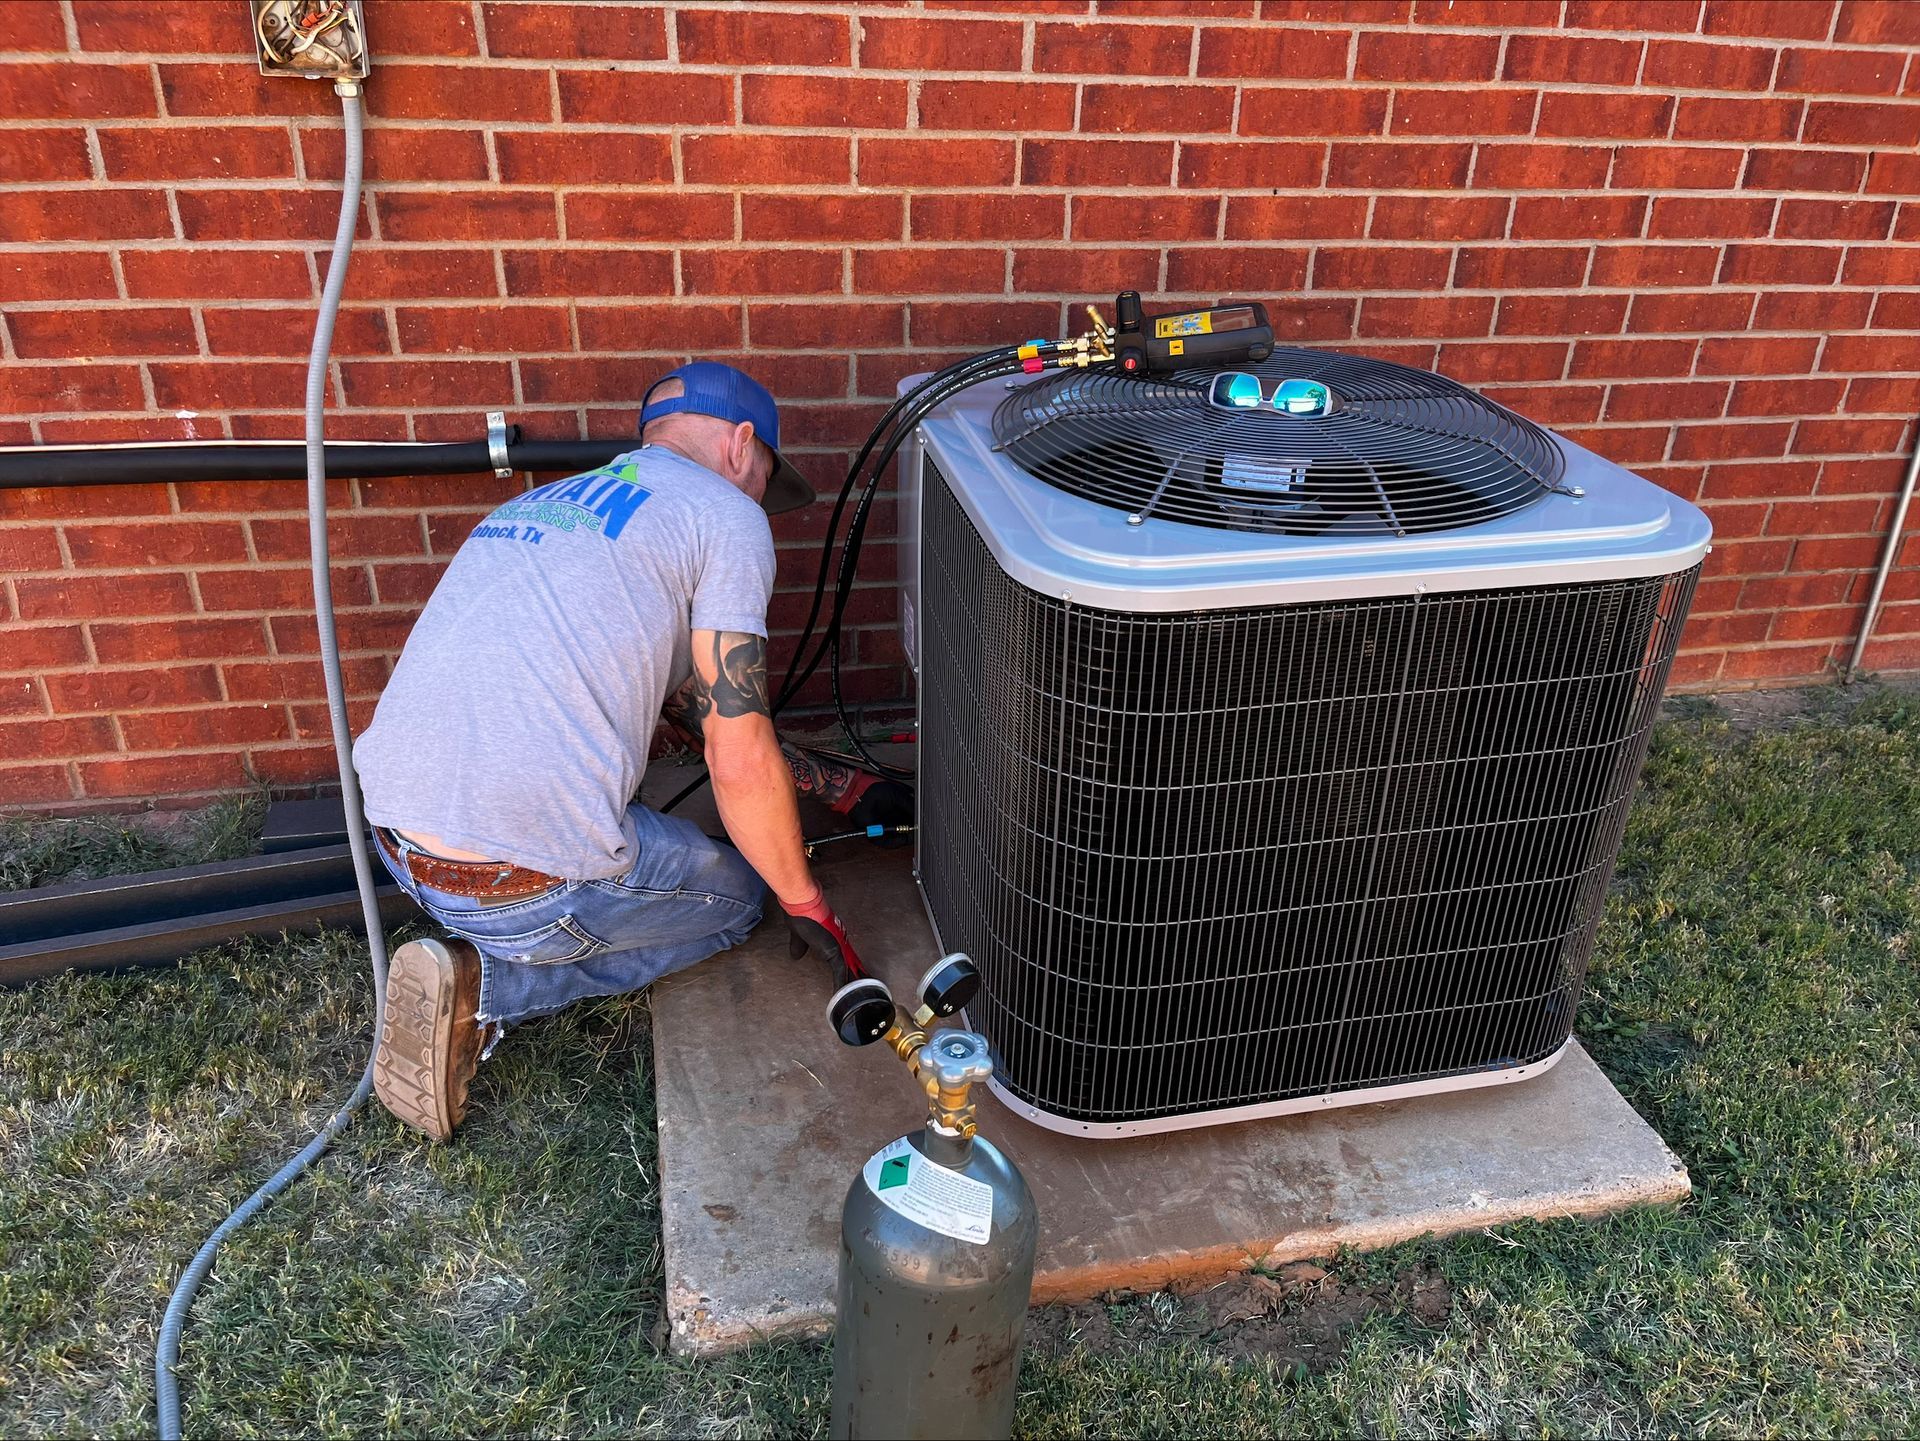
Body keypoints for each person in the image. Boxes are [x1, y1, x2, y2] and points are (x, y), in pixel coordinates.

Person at [353, 361, 902, 1141]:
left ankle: (474, 944)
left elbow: (689, 699)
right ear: (741, 446)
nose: (759, 506)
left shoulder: (546, 505)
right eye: (762, 482)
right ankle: (490, 985)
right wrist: (806, 901)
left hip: (397, 843)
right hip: (522, 892)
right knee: (738, 900)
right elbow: (734, 749)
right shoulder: (724, 513)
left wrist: (838, 786)